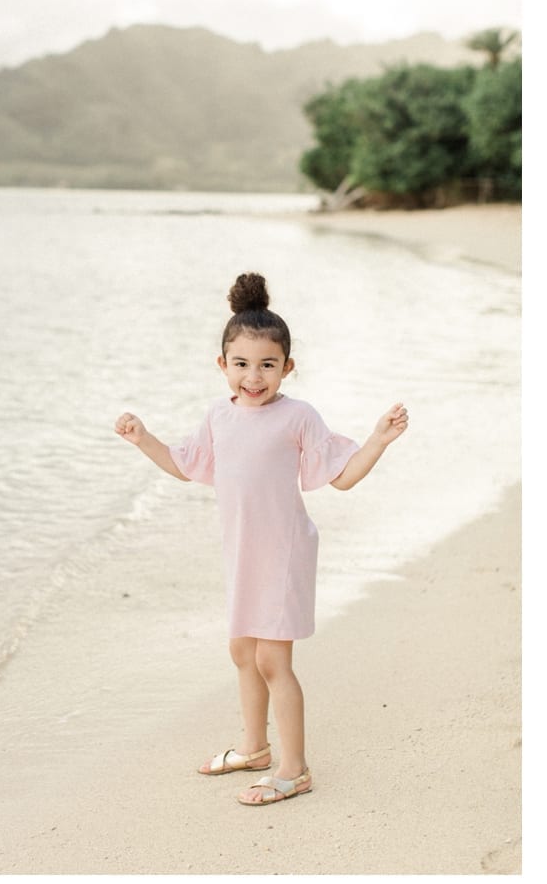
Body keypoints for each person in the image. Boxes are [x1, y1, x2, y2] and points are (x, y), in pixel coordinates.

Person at [114, 272, 408, 805]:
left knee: (274, 661)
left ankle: (294, 769)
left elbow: (340, 476)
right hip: (243, 555)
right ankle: (254, 748)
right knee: (242, 652)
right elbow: (185, 465)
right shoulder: (218, 416)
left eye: (267, 365)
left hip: (284, 554)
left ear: (287, 367)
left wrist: (378, 439)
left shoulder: (298, 416)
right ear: (222, 364)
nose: (254, 376)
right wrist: (143, 439)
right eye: (242, 364)